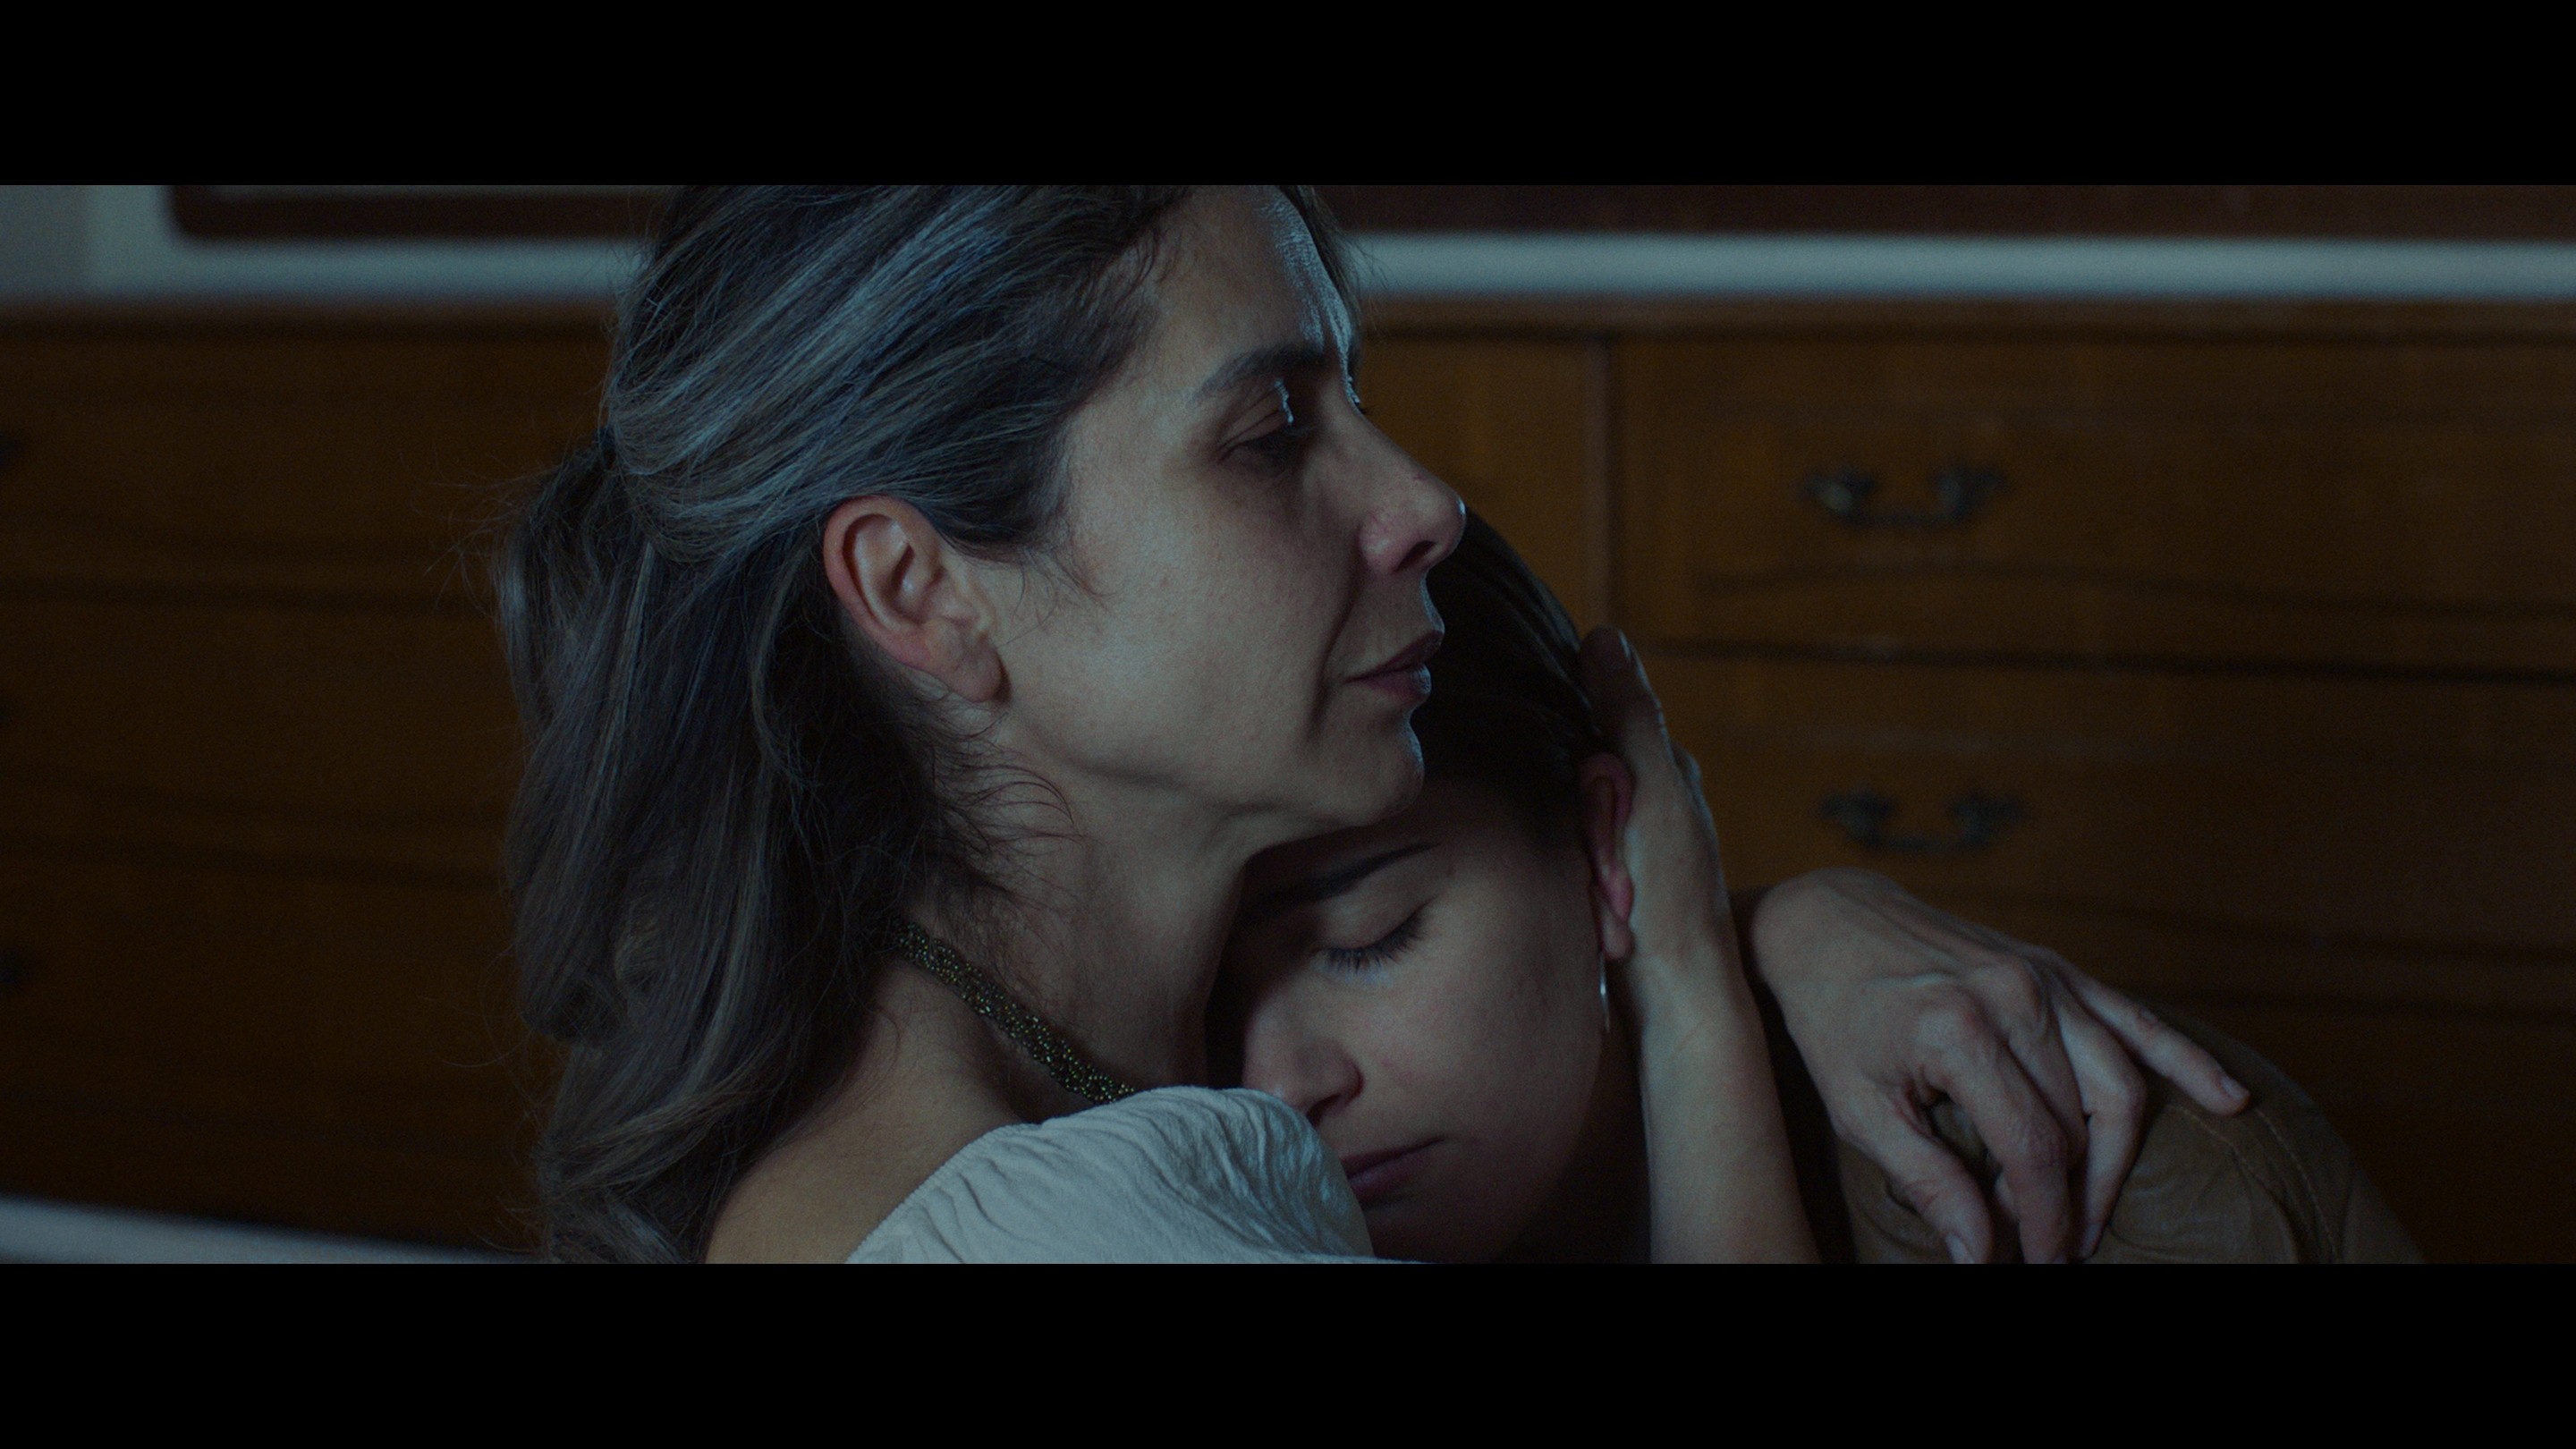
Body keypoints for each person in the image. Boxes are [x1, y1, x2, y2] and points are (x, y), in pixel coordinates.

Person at [499, 185, 2246, 1263]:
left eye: (1360, 397)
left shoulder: (1069, 1085)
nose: (1424, 504)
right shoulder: (1086, 1239)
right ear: (924, 592)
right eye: (1268, 434)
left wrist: (1776, 934)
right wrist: (1713, 989)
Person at [1219, 514, 2419, 1261]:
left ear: (1604, 848)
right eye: (1203, 992)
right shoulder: (1175, 1179)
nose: (1273, 1088)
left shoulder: (2083, 1194)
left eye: (1368, 939)